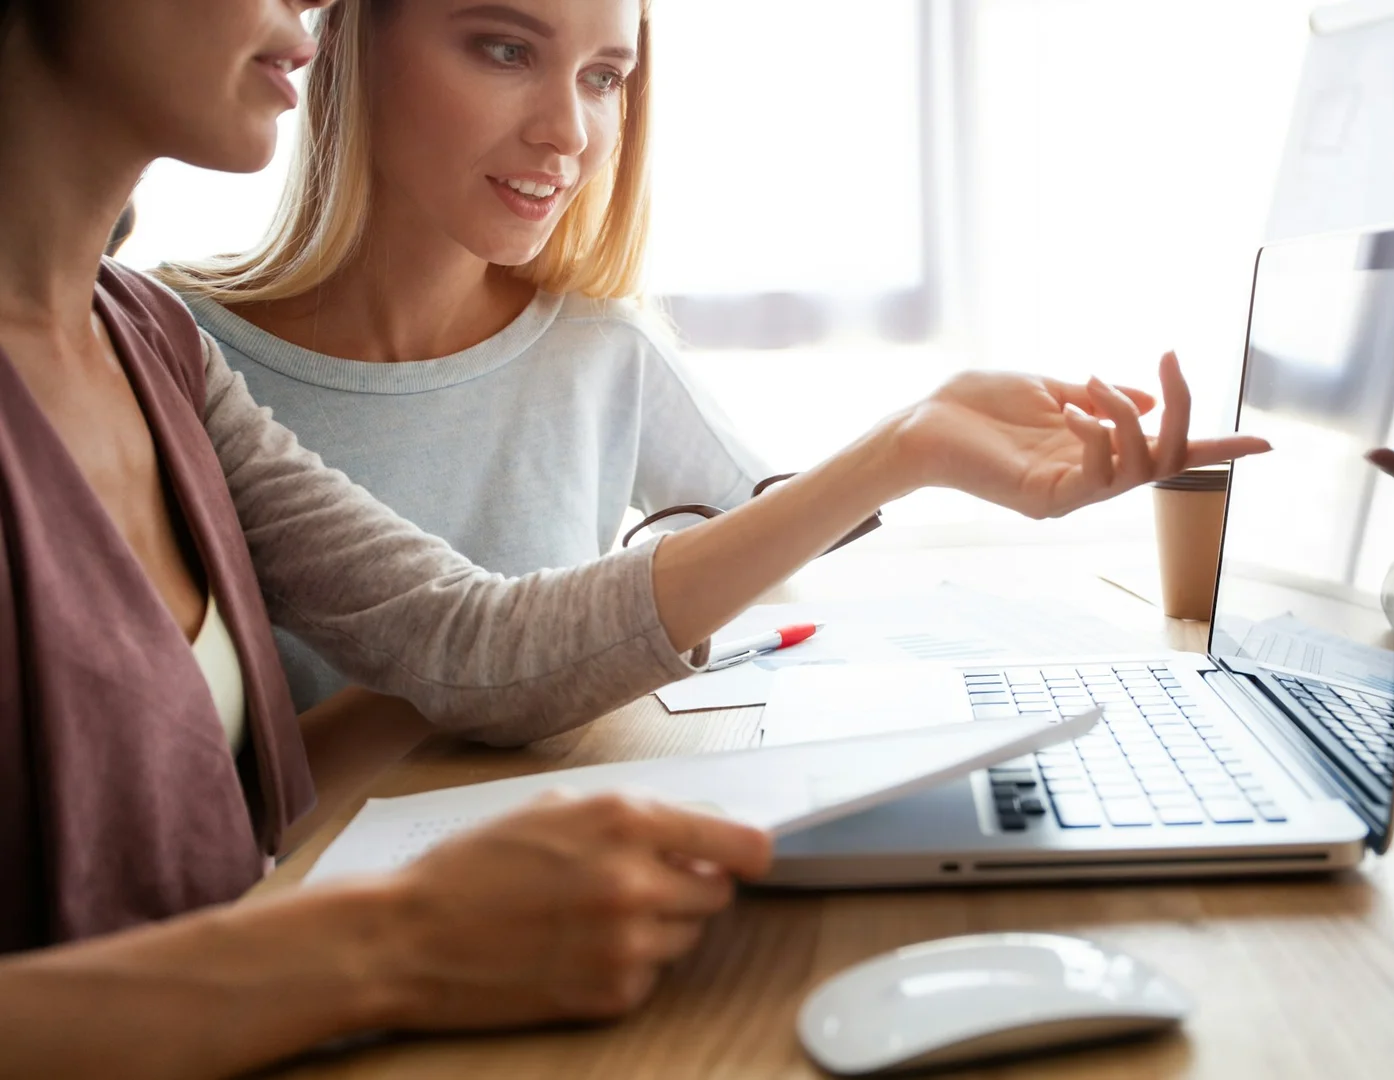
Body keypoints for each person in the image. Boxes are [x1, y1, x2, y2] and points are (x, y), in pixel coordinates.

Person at [0, 0, 1268, 1075]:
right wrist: (392, 946)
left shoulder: (144, 348)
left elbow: (464, 638)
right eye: (503, 48)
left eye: (608, 76)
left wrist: (910, 444)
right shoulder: (191, 330)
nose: (305, 5)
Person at [161, 0, 773, 712]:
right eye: (506, 51)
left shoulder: (602, 351)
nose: (568, 132)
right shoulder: (169, 355)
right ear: (346, 43)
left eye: (604, 78)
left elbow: (782, 552)